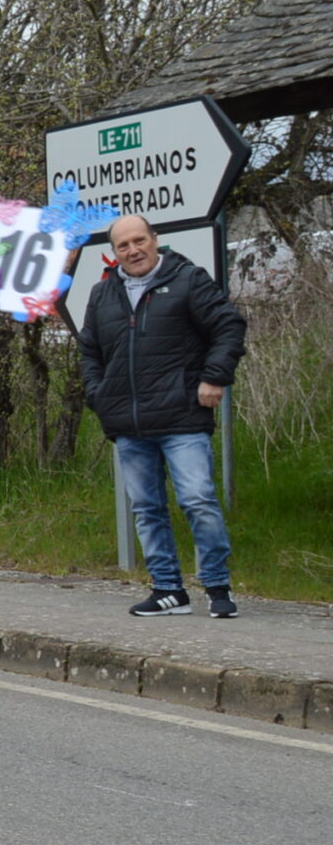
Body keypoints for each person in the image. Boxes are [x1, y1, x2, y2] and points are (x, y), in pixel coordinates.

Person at [75, 212, 248, 619]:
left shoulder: (188, 279)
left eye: (140, 240)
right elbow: (89, 351)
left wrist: (214, 377)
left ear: (155, 239)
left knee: (198, 500)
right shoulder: (103, 294)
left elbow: (229, 326)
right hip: (130, 423)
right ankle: (168, 589)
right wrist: (99, 396)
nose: (133, 250)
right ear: (113, 253)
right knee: (147, 508)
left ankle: (217, 586)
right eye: (123, 245)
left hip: (182, 418)